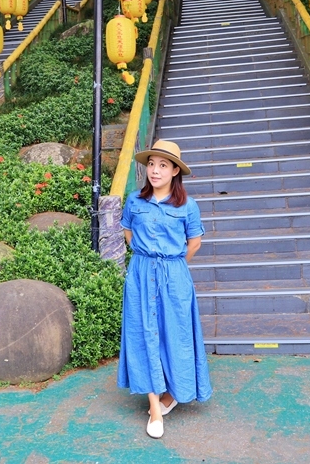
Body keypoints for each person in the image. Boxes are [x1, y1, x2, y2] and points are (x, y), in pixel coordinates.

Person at [118, 139, 212, 439]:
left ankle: (172, 394)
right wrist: (148, 261)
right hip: (141, 274)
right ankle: (155, 407)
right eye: (151, 164)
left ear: (174, 171)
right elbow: (128, 234)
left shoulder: (188, 205)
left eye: (162, 165)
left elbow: (194, 243)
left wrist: (171, 264)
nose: (155, 171)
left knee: (177, 333)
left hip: (174, 274)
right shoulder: (135, 201)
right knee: (142, 332)